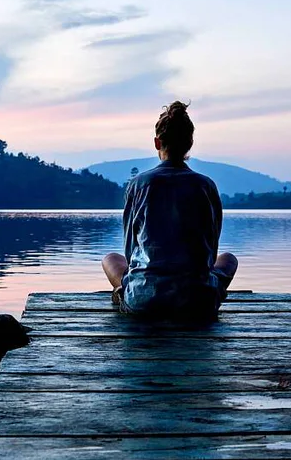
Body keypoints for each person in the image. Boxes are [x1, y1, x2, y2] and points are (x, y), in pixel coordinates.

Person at [101, 101, 238, 321]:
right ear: (190, 143)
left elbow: (129, 250)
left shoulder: (138, 184)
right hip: (199, 301)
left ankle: (124, 292)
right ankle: (209, 291)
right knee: (229, 259)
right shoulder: (206, 185)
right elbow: (211, 251)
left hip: (144, 301)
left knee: (111, 259)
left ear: (157, 142)